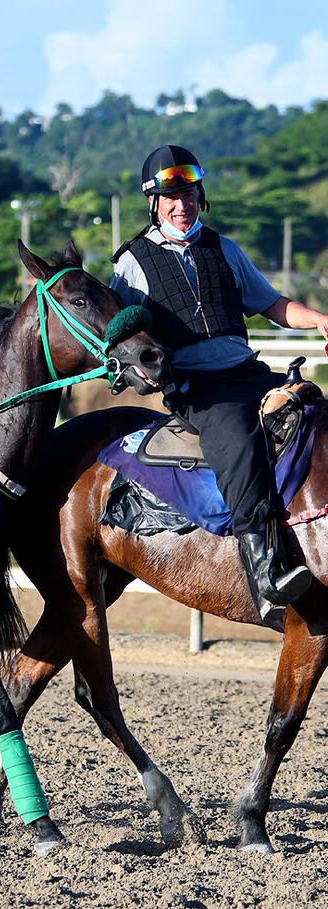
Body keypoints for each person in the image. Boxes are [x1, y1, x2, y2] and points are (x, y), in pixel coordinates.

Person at [110, 144, 328, 626]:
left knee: (315, 409)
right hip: (198, 388)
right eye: (171, 197)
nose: (181, 204)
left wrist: (319, 320)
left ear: (199, 195)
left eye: (188, 194)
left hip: (248, 372)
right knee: (239, 440)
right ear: (154, 202)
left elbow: (271, 304)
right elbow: (116, 333)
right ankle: (265, 571)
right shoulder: (130, 263)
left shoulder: (225, 249)